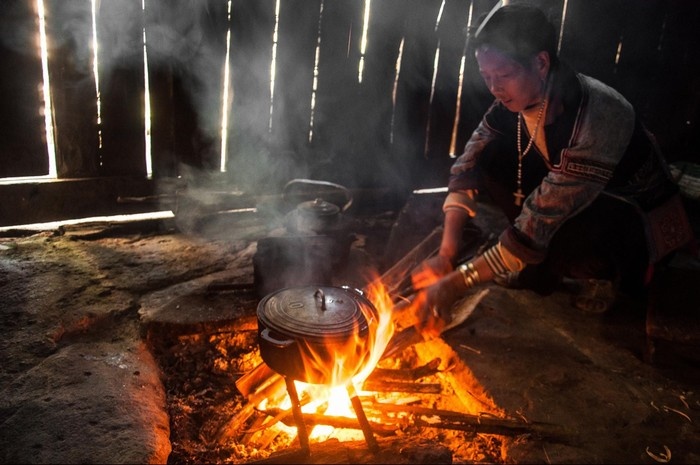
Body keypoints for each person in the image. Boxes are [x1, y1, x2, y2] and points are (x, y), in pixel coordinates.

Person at [410, 3, 693, 336]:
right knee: (491, 160)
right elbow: (469, 161)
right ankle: (527, 258)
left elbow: (541, 218)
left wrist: (455, 283)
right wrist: (446, 254)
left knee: (546, 229)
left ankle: (598, 275)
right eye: (486, 77)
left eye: (503, 76)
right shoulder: (517, 99)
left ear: (541, 63)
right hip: (580, 204)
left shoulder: (596, 117)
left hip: (632, 223)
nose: (494, 88)